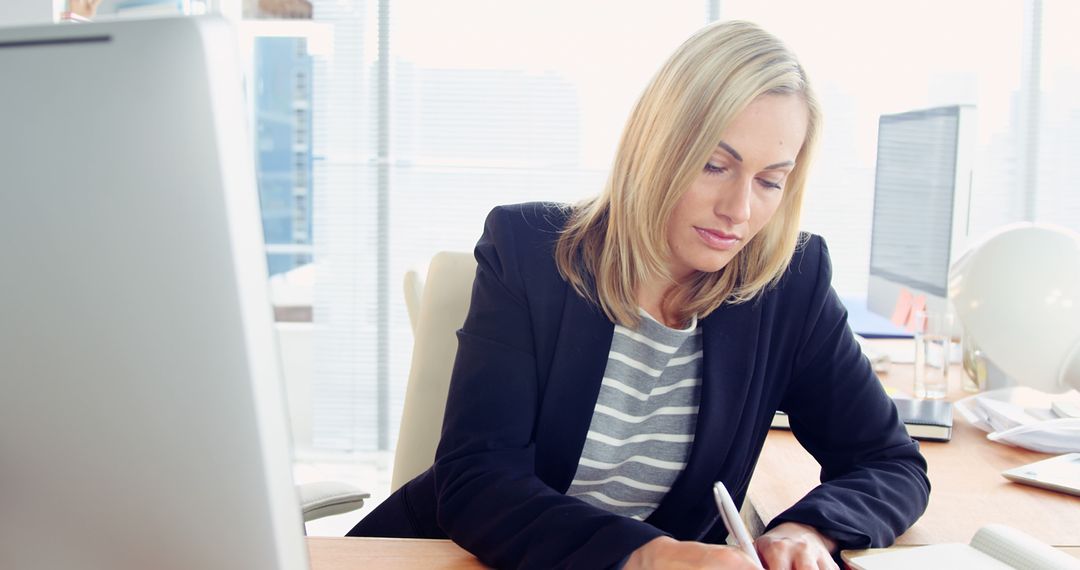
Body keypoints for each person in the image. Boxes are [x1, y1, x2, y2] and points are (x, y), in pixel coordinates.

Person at [348, 20, 929, 569]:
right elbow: (477, 480)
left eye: (770, 180)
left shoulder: (788, 285)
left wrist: (807, 529)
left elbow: (889, 461)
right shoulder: (527, 253)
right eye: (713, 166)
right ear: (657, 146)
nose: (739, 210)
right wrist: (648, 554)